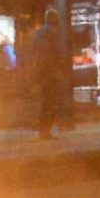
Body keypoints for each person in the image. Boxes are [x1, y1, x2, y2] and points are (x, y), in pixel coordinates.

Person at [30, 8, 66, 139]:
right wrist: (56, 70)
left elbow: (34, 53)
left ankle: (42, 127)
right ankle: (45, 130)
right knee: (50, 102)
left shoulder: (37, 33)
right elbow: (51, 54)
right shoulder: (51, 33)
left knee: (45, 101)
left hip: (40, 72)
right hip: (49, 73)